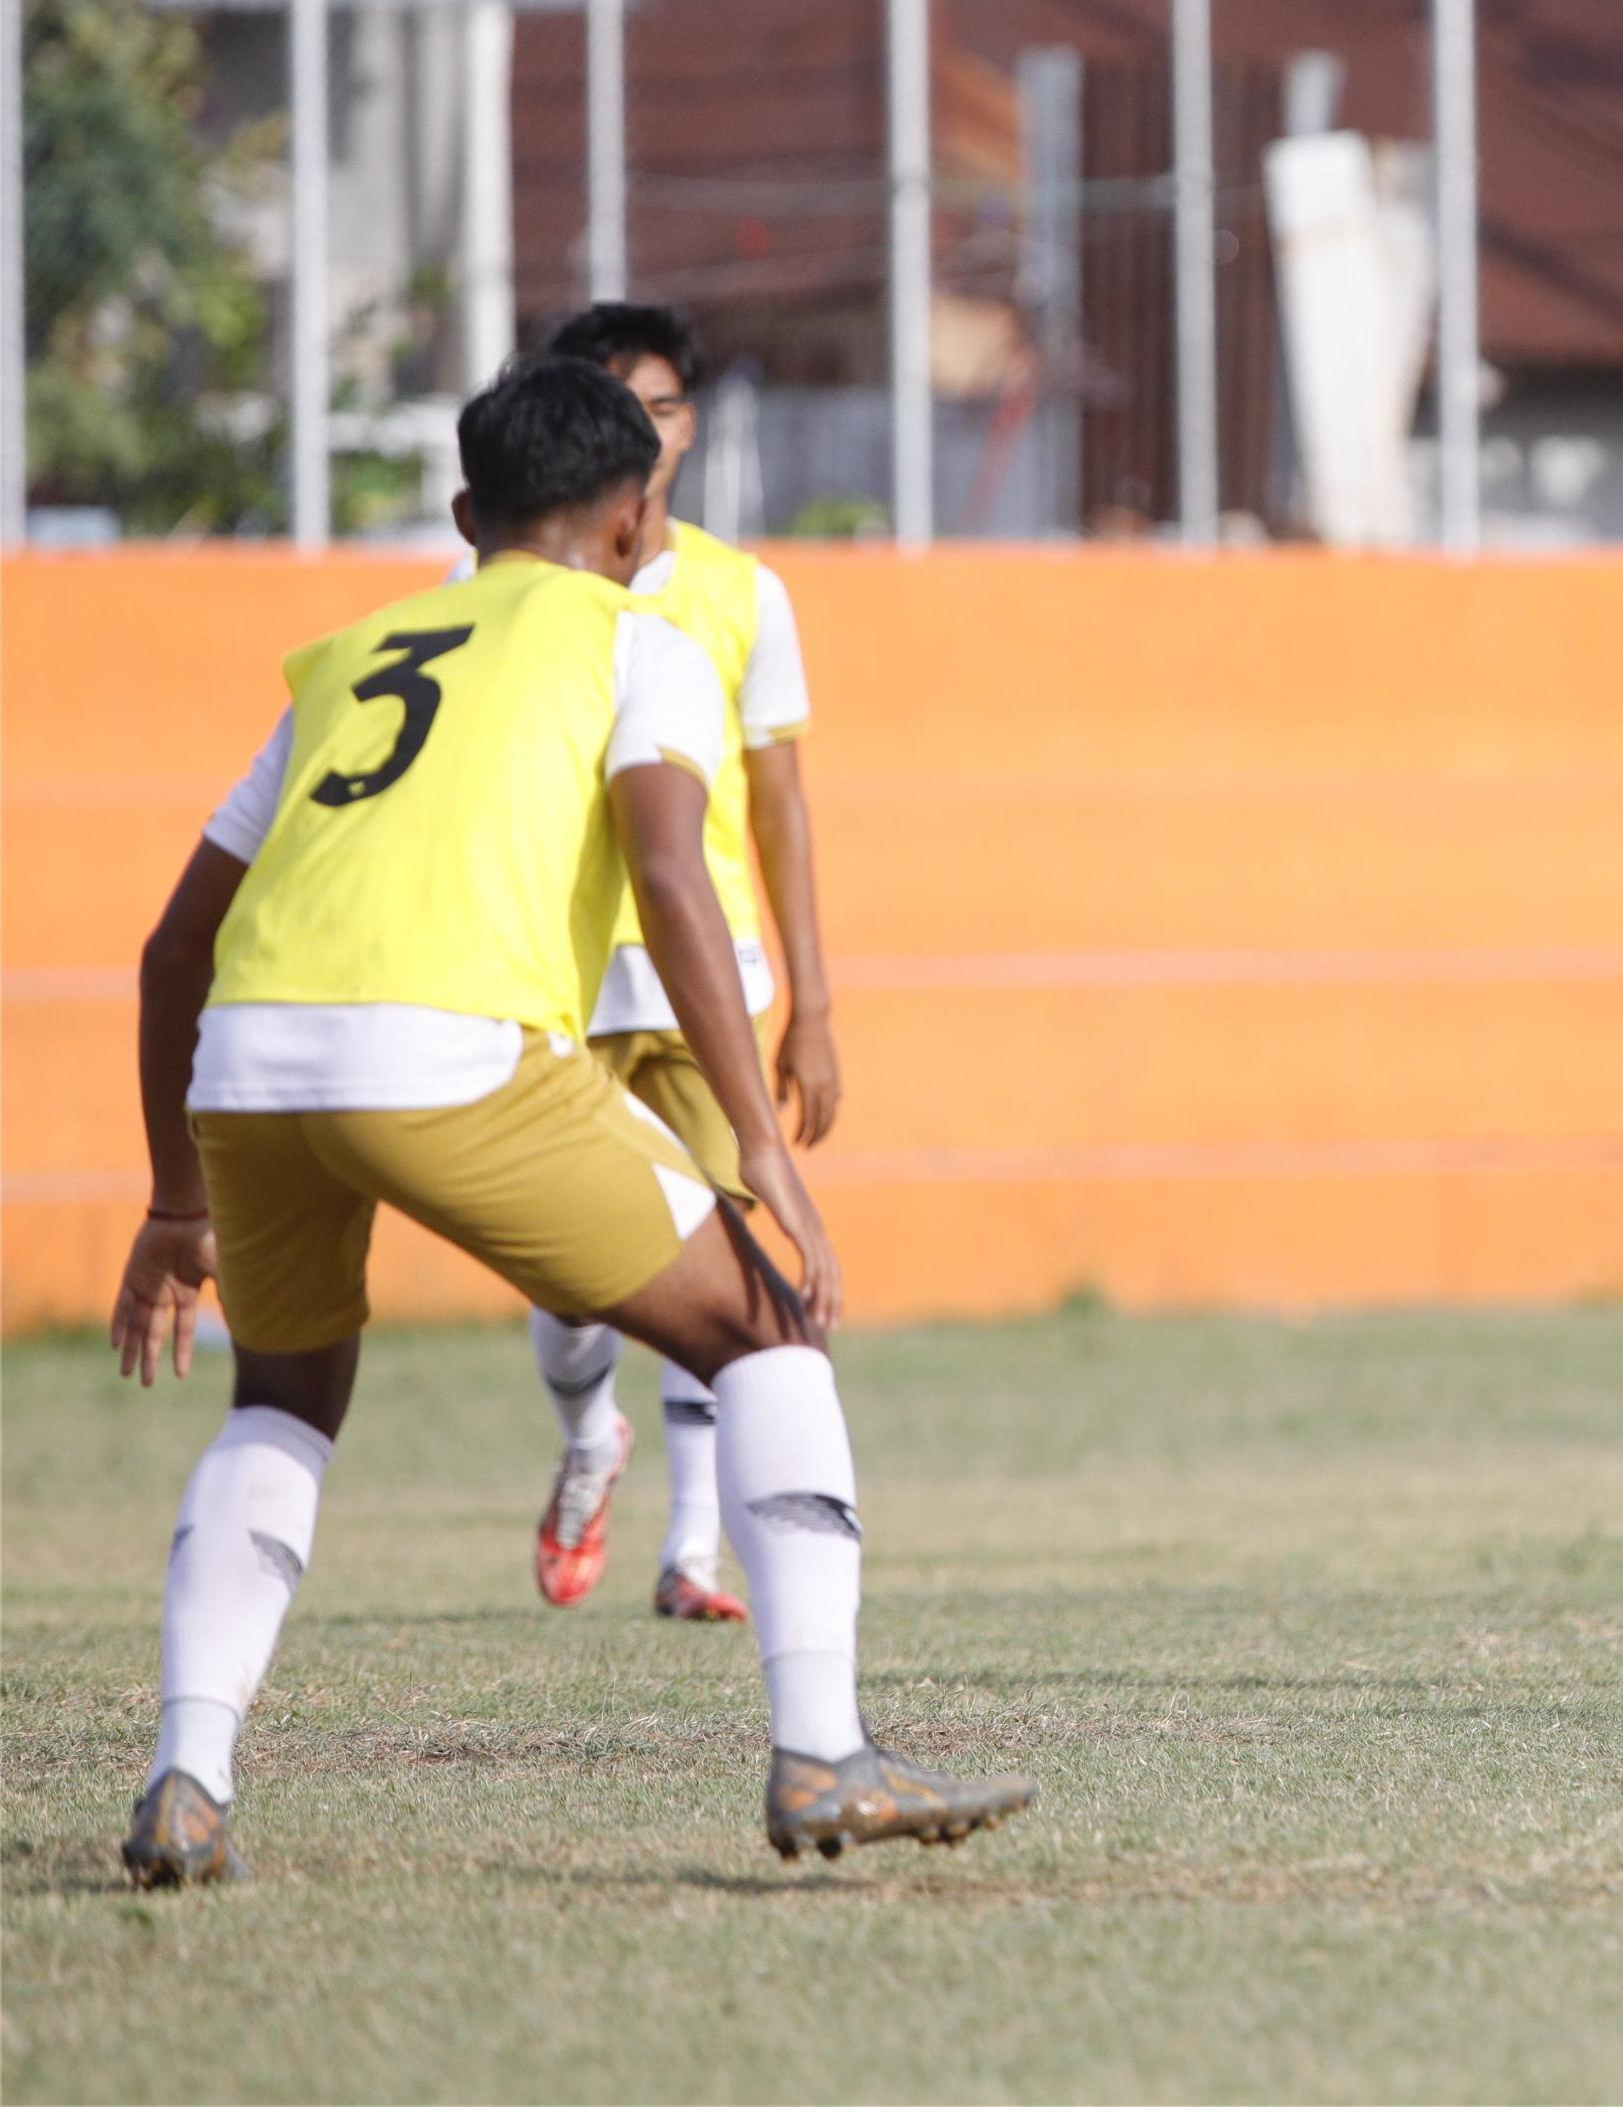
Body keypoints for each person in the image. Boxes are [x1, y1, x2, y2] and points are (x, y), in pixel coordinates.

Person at [112, 358, 1030, 1883]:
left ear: (467, 512)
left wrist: (172, 1205)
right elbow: (676, 877)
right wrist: (766, 1157)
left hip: (252, 1064)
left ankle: (186, 1777)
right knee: (767, 1333)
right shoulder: (637, 638)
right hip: (448, 1050)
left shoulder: (349, 654)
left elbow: (169, 949)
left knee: (280, 1400)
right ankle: (823, 1755)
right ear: (633, 516)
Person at [505, 303, 841, 1624]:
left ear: (691, 425)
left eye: (659, 407)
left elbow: (780, 805)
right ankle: (590, 1439)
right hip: (563, 970)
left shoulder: (745, 593)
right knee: (572, 1281)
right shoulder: (521, 592)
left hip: (706, 974)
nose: (636, 434)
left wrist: (813, 1005)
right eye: (609, 406)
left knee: (723, 1254)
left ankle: (692, 1553)